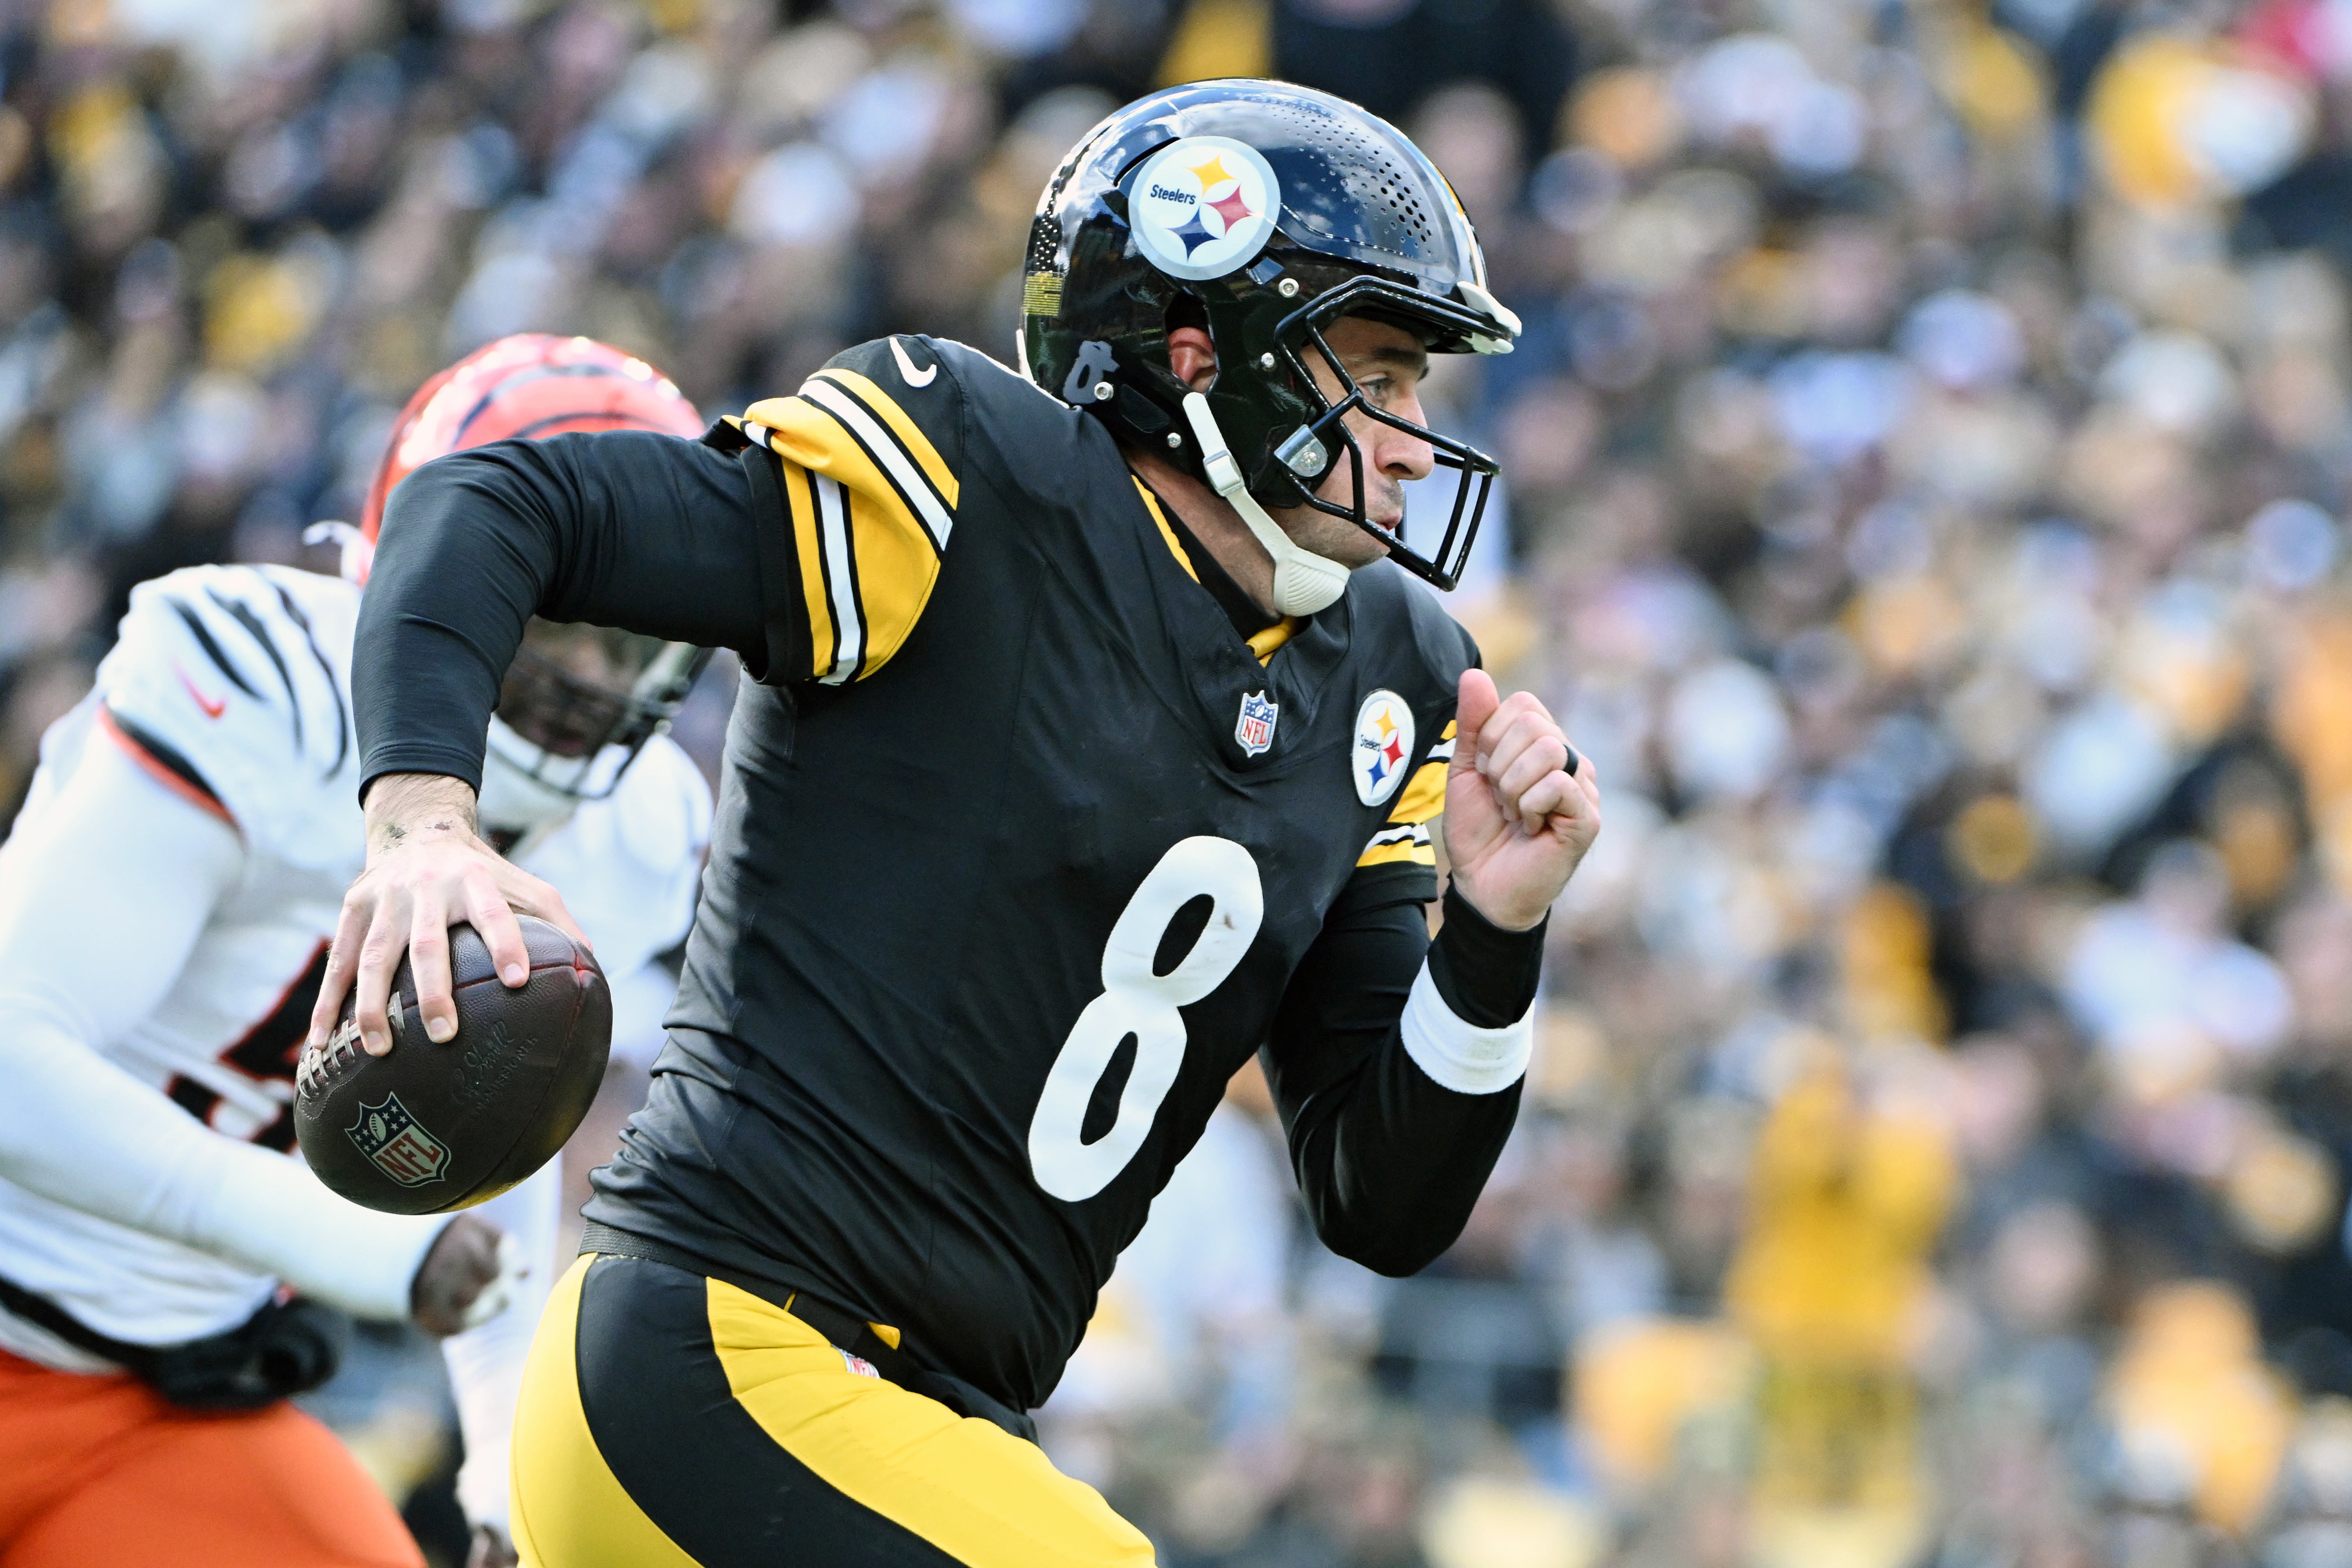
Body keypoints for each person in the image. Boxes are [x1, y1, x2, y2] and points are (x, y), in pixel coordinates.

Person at [318, 80, 1600, 1567]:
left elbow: (1382, 1197)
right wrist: (421, 818)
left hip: (925, 1425)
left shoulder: (1393, 674)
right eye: (1377, 372)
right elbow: (493, 501)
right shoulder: (968, 480)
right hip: (721, 1349)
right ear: (1207, 356)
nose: (1413, 438)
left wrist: (1495, 935)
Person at [0, 333, 713, 1568]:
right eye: (561, 610)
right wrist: (357, 1248)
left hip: (149, 1405)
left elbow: (504, 1141)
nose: (595, 671)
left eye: (633, 626)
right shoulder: (262, 681)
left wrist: (501, 1468)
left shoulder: (634, 826)